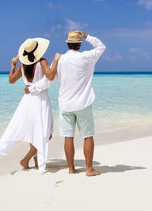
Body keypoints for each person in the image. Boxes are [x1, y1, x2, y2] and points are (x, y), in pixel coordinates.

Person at [26, 31, 106, 176]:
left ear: (67, 44)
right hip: (83, 104)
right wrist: (87, 36)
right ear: (79, 45)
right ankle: (88, 169)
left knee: (68, 138)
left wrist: (32, 88)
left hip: (65, 105)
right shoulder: (86, 57)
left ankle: (71, 169)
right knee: (88, 136)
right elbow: (101, 47)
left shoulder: (60, 60)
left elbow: (48, 81)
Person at [0, 37, 60, 174]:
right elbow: (51, 76)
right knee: (45, 133)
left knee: (33, 131)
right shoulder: (42, 61)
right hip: (40, 99)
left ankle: (35, 162)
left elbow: (11, 80)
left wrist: (13, 64)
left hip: (28, 99)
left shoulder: (23, 65)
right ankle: (26, 159)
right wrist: (55, 61)